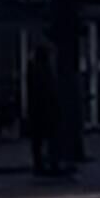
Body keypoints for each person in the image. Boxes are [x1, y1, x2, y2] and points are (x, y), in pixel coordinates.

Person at [24, 44, 64, 177]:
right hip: (45, 112)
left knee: (38, 141)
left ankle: (41, 164)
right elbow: (48, 93)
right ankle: (49, 164)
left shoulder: (34, 70)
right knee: (48, 139)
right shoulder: (44, 71)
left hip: (38, 112)